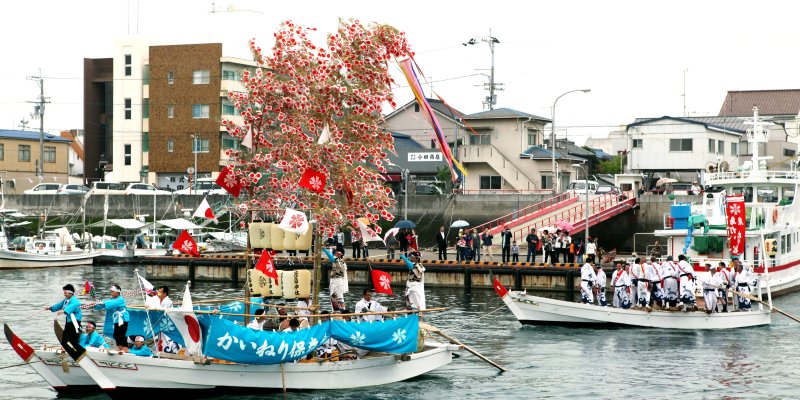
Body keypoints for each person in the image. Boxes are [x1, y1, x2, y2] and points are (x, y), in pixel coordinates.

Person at [94, 284, 130, 352]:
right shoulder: (111, 300)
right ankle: (119, 347)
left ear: (117, 292)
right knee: (116, 334)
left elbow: (112, 303)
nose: (111, 293)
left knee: (121, 334)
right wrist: (96, 304)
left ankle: (125, 348)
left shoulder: (120, 299)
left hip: (123, 318)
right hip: (117, 319)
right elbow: (105, 305)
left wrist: (103, 302)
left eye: (113, 292)